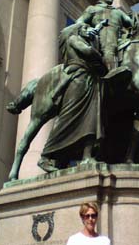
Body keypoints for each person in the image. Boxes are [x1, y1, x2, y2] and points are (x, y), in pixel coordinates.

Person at [37, 22, 107, 171]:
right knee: (68, 117)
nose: (88, 31)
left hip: (89, 80)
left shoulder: (82, 39)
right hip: (77, 80)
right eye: (85, 29)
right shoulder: (74, 39)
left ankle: (87, 156)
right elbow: (87, 51)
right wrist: (98, 54)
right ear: (78, 30)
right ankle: (45, 156)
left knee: (91, 119)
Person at [76, 0, 133, 71]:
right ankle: (111, 74)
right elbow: (79, 22)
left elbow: (132, 23)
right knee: (109, 50)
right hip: (102, 40)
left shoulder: (118, 12)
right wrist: (88, 29)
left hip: (119, 40)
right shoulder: (93, 9)